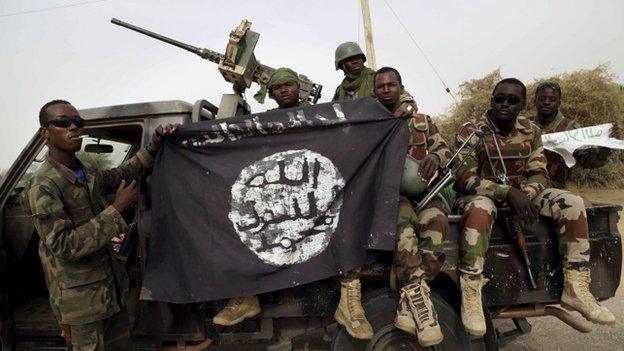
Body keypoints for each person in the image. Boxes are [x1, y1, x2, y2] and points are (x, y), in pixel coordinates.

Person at [453, 79, 616, 336]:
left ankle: (575, 286)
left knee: (572, 202)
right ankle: (471, 292)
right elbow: (466, 178)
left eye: (512, 100)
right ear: (491, 101)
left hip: (524, 194)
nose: (505, 104)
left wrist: (527, 193)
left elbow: (539, 172)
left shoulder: (531, 130)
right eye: (499, 99)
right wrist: (508, 193)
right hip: (482, 195)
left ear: (523, 105)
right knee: (480, 209)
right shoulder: (473, 131)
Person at [26, 100, 177, 350]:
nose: (74, 127)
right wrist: (116, 209)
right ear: (46, 132)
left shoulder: (86, 170)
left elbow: (121, 174)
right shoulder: (43, 186)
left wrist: (153, 147)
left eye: (78, 122)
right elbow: (64, 245)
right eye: (63, 123)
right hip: (81, 308)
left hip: (110, 294)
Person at [373, 67, 452, 346]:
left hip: (427, 194)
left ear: (400, 86)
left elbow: (444, 148)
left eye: (391, 85)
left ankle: (410, 301)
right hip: (392, 197)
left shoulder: (421, 121)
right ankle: (423, 309)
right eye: (380, 86)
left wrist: (436, 157)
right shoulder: (370, 124)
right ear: (375, 91)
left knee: (437, 225)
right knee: (405, 233)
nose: (386, 90)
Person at [531, 81, 613, 189]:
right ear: (535, 101)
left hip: (556, 189)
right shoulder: (525, 125)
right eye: (542, 98)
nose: (547, 102)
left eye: (552, 99)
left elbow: (587, 160)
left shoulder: (570, 129)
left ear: (559, 102)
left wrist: (604, 149)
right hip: (525, 185)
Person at [332, 42, 417, 118]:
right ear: (341, 65)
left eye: (358, 57)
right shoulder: (340, 90)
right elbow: (332, 111)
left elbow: (407, 100)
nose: (355, 61)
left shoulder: (376, 79)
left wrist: (408, 106)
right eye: (350, 59)